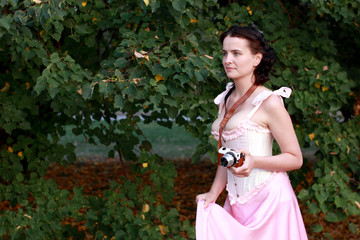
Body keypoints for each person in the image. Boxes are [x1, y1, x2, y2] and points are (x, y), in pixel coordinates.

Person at [195, 25, 308, 240]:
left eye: (236, 53)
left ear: (256, 59)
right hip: (237, 202)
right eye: (225, 53)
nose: (228, 59)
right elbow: (226, 155)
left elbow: (295, 159)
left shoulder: (269, 102)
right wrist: (214, 192)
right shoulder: (226, 98)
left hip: (270, 202)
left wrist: (254, 161)